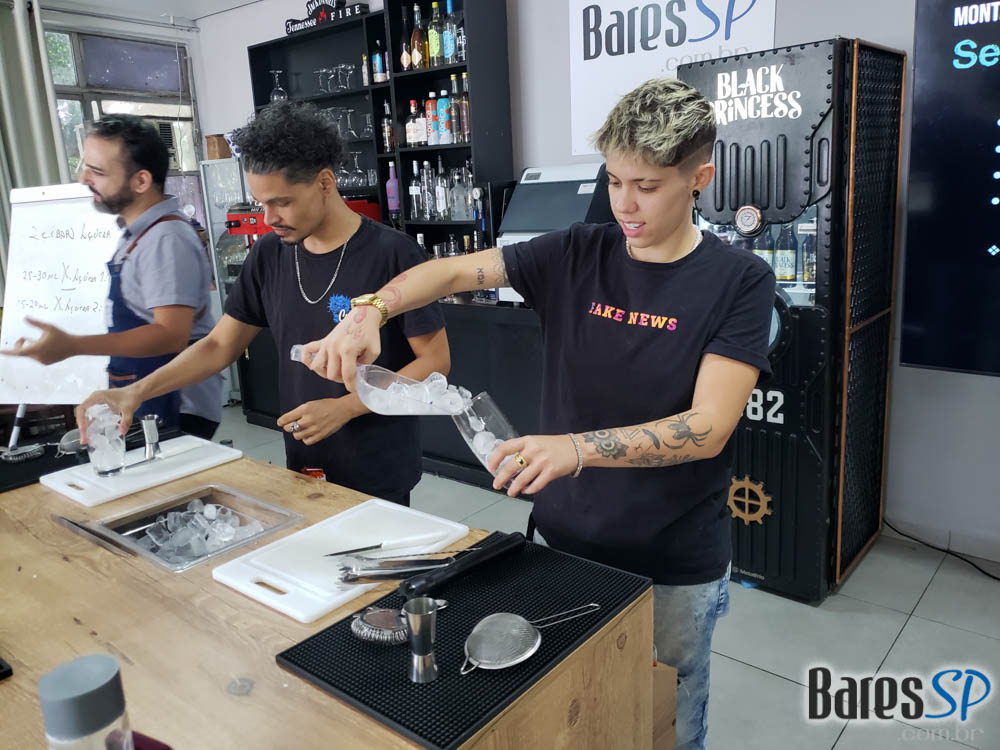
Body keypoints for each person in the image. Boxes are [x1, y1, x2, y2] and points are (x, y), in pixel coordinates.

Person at [303, 79, 775, 749]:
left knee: (665, 717)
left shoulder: (739, 280)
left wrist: (576, 448)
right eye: (614, 181)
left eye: (646, 186)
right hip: (562, 538)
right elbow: (452, 273)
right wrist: (370, 311)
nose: (625, 204)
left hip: (672, 560)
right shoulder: (579, 250)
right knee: (574, 706)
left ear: (699, 178)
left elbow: (707, 427)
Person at [76, 102, 449, 505]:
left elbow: (434, 363)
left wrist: (346, 407)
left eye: (281, 202)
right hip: (304, 459)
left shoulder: (392, 253)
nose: (268, 217)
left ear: (325, 183)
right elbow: (220, 345)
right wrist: (135, 392)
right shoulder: (270, 254)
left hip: (378, 460)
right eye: (260, 203)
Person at [2, 115, 222, 439]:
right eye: (85, 167)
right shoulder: (137, 235)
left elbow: (170, 335)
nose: (83, 179)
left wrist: (73, 345)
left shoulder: (166, 239)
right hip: (143, 396)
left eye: (98, 172)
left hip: (174, 403)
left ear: (141, 181)